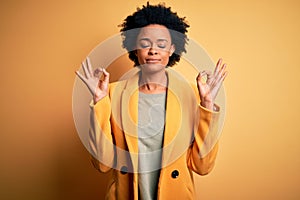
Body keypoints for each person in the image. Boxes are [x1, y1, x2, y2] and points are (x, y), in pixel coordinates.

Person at [76, 2, 227, 200]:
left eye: (161, 44)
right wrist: (99, 101)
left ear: (172, 49)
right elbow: (102, 164)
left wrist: (207, 104)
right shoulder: (112, 93)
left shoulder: (193, 94)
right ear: (135, 48)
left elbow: (203, 166)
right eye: (145, 43)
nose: (153, 50)